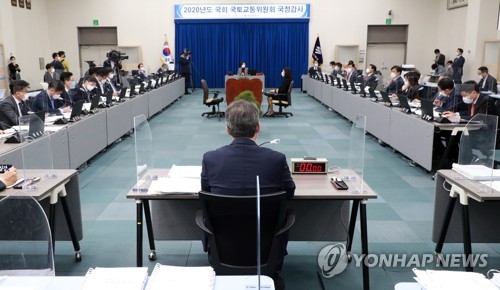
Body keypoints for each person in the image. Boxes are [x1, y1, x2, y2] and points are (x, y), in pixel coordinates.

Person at [201, 100, 295, 287]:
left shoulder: (210, 159)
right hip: (268, 250)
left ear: (228, 130)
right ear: (258, 127)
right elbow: (290, 193)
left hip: (223, 249)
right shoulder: (276, 159)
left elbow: (206, 193)